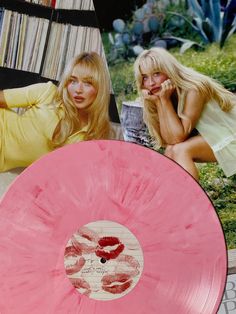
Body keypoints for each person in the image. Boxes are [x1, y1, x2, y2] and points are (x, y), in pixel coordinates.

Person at [134, 47, 236, 180]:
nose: (151, 82)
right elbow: (169, 140)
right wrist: (160, 102)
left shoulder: (194, 88)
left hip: (231, 134)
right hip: (216, 135)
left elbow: (178, 137)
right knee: (170, 150)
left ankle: (192, 200)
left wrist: (163, 101)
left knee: (181, 150)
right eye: (145, 77)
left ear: (169, 70)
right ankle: (173, 198)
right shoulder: (161, 94)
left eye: (157, 73)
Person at [0, 51, 112, 172]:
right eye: (73, 81)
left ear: (100, 89)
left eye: (87, 83)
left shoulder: (93, 136)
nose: (78, 90)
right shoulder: (48, 92)